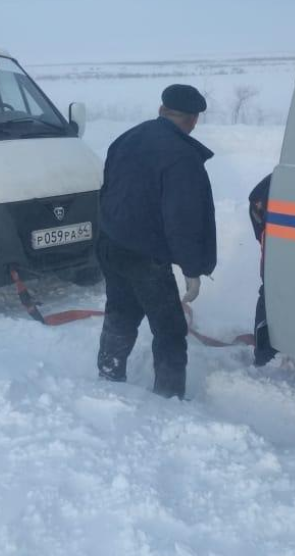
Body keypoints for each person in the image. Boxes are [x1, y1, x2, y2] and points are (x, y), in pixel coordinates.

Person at [96, 84, 216, 399]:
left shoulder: (127, 138)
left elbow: (107, 191)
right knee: (170, 329)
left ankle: (108, 373)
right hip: (144, 257)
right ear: (193, 120)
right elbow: (183, 220)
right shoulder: (182, 156)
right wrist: (192, 268)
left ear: (162, 110)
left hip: (111, 244)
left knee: (121, 311)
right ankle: (168, 396)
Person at [249, 173, 278, 366]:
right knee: (271, 289)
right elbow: (255, 201)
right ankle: (264, 358)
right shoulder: (272, 188)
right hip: (275, 228)